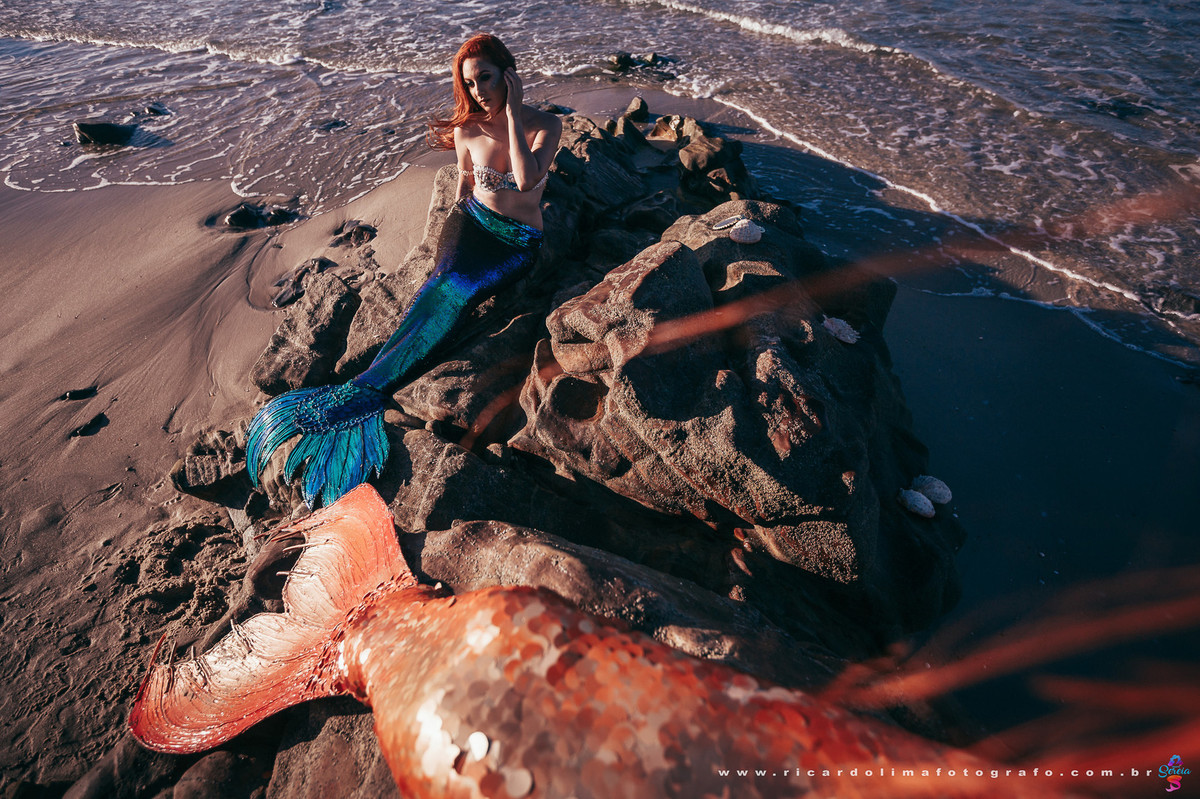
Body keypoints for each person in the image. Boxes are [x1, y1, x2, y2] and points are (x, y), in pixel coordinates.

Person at [246, 33, 562, 508]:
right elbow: (463, 183)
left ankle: (367, 389)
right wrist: (446, 233)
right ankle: (372, 387)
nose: (478, 91)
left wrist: (513, 112)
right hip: (471, 224)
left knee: (458, 292)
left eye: (487, 79)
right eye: (469, 83)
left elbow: (525, 178)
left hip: (516, 245)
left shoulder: (544, 125)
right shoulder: (467, 129)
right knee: (441, 284)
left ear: (508, 73)